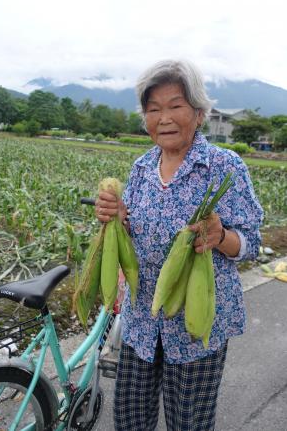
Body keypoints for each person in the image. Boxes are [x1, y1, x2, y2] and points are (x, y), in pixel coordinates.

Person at [95, 60, 263, 431]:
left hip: (196, 328)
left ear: (199, 113)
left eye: (175, 106)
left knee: (189, 423)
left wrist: (220, 238)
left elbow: (252, 243)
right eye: (153, 109)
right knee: (130, 420)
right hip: (141, 320)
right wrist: (116, 220)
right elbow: (134, 232)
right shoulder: (141, 169)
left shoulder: (224, 166)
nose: (164, 118)